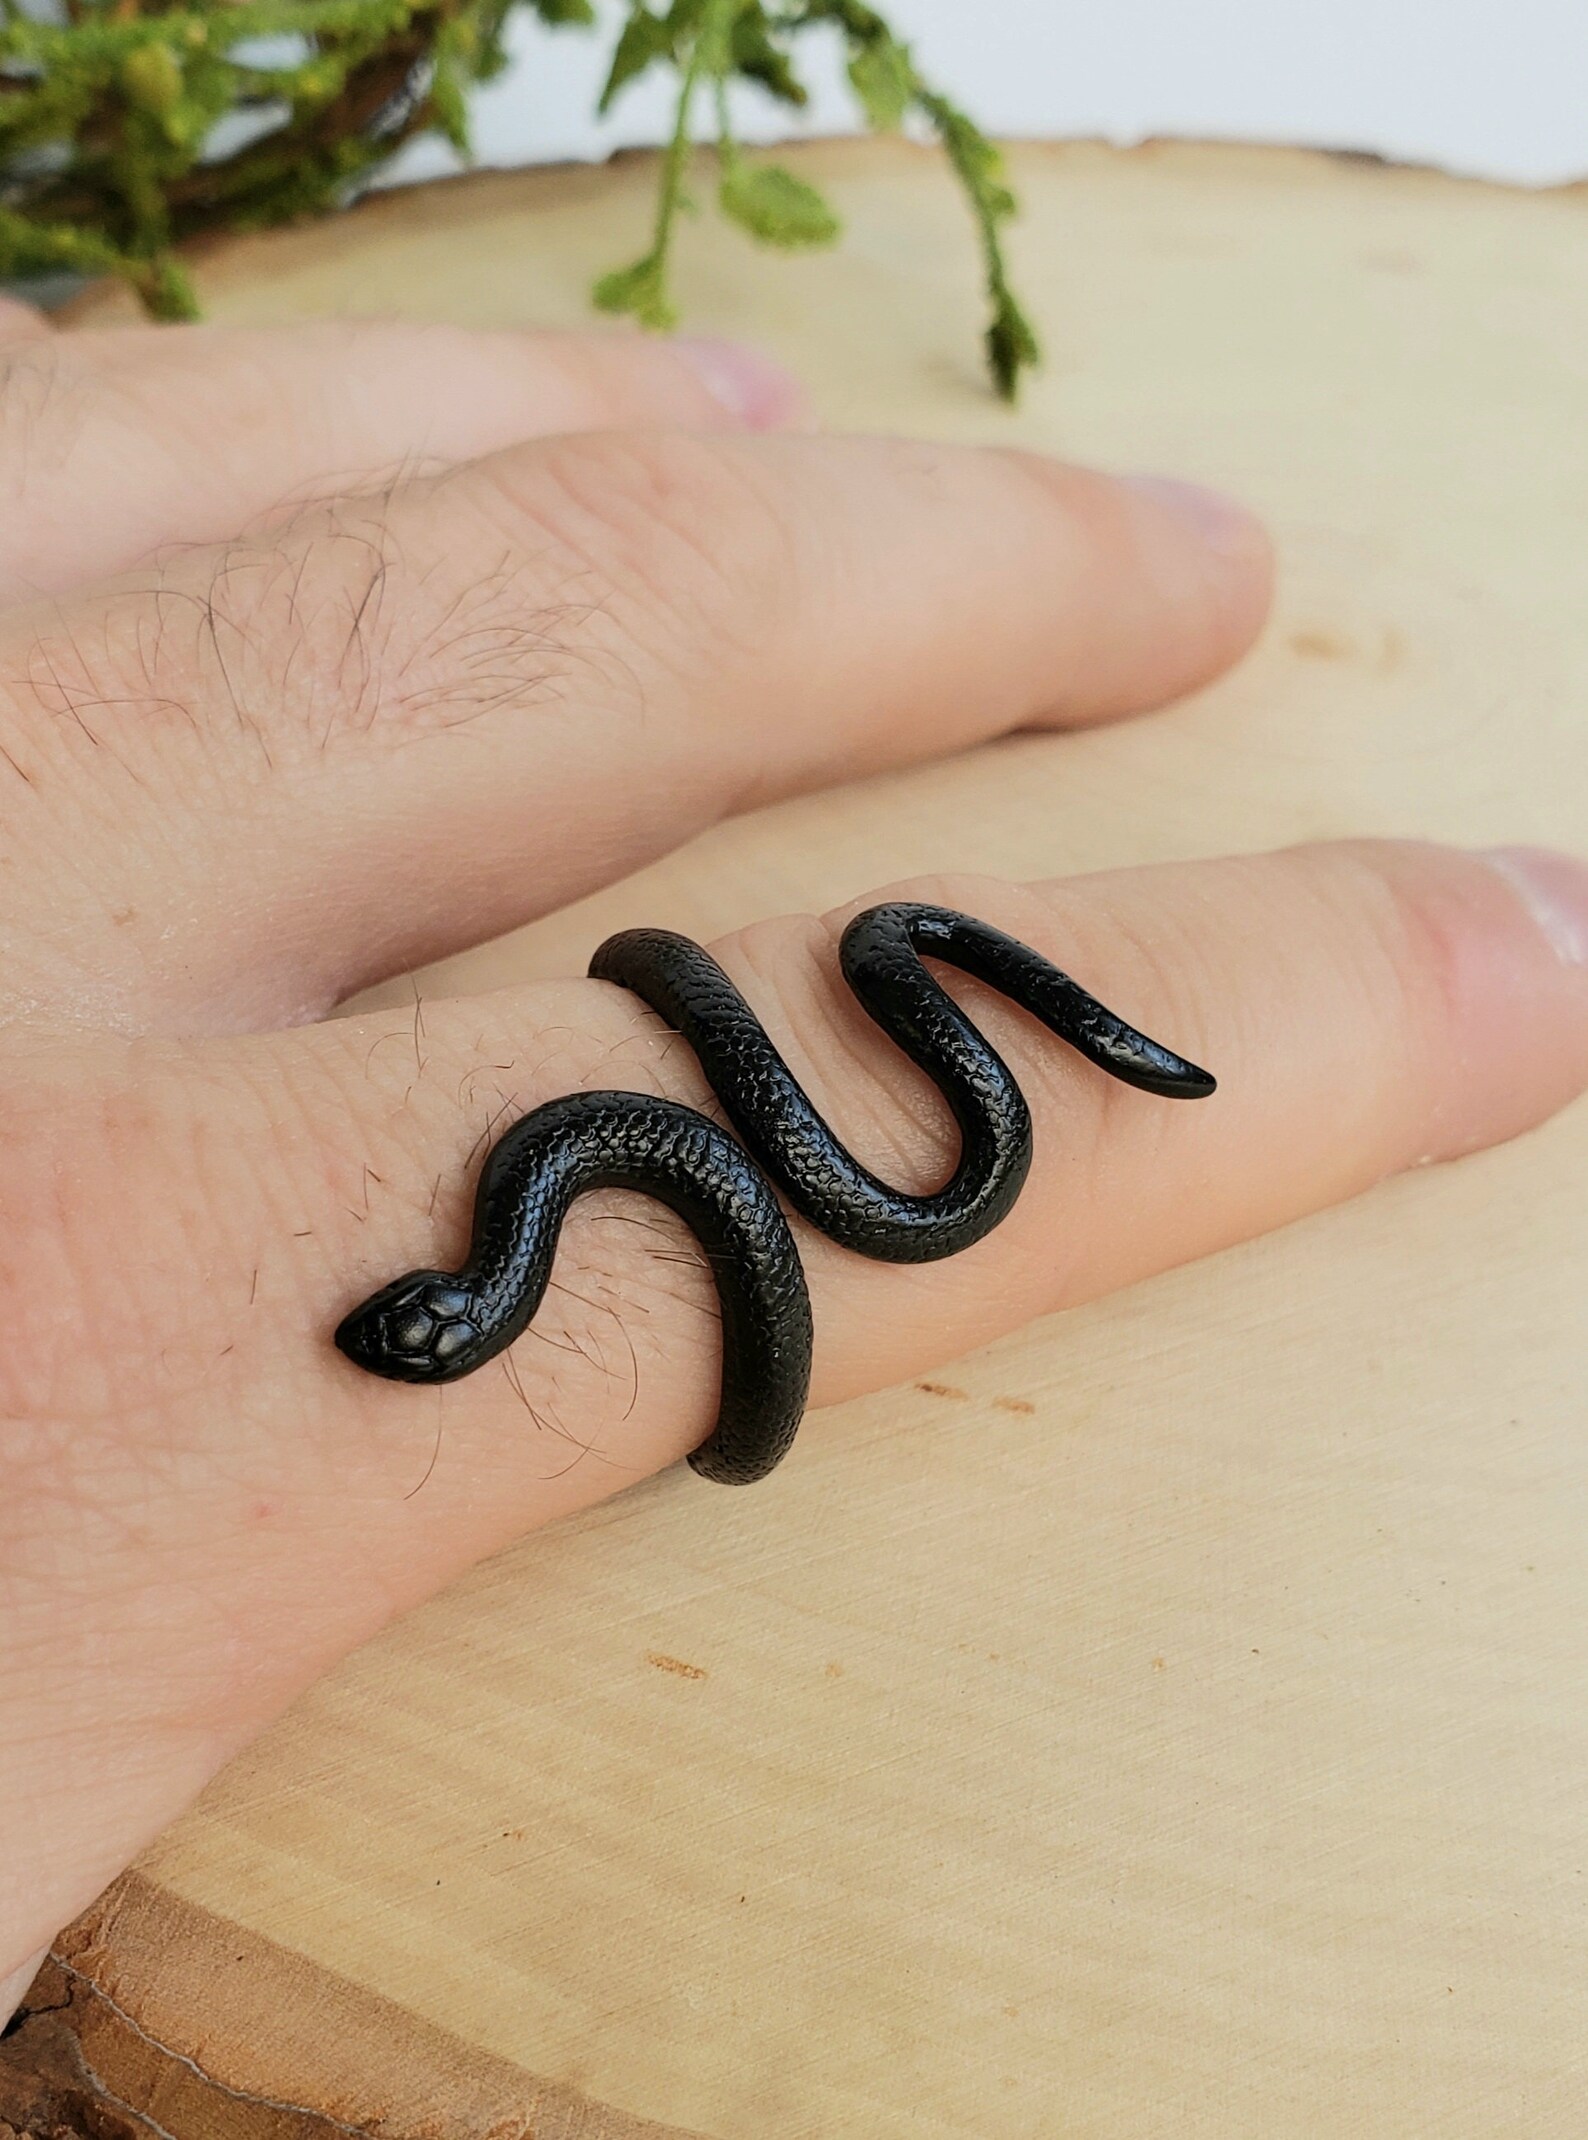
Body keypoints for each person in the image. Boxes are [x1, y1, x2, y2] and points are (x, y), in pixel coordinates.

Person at [0, 303, 1584, 2019]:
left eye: (418, 1327)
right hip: (727, 1112)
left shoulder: (551, 1184)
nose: (405, 1334)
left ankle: (924, 963)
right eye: (423, 1336)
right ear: (459, 1309)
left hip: (795, 1078)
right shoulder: (542, 1202)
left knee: (902, 1062)